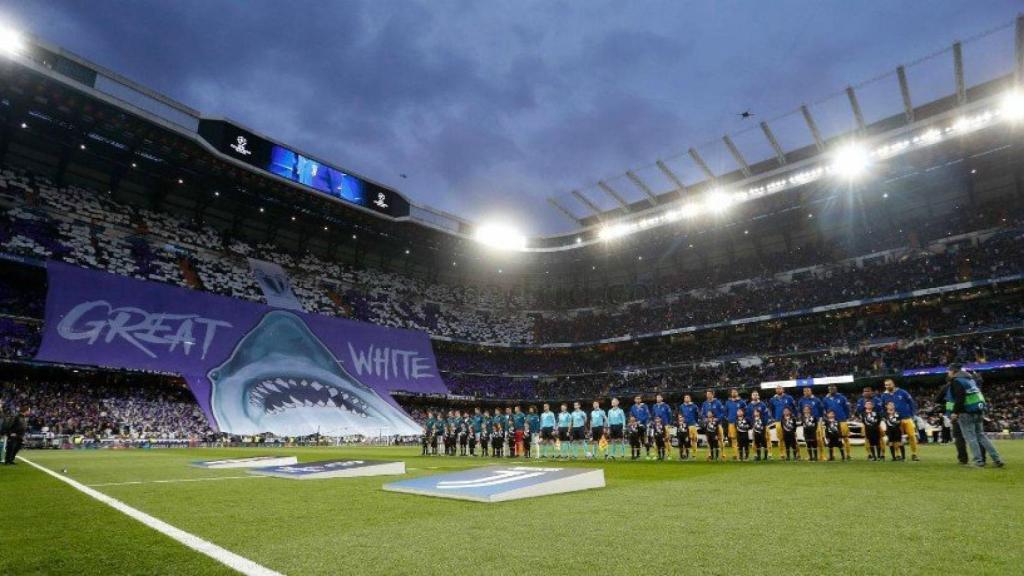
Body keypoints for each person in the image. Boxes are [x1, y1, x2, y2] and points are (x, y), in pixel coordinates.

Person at [946, 364, 1004, 468]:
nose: (948, 373)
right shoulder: (970, 380)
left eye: (949, 371)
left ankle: (978, 461)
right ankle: (997, 459)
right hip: (978, 411)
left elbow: (960, 398)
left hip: (966, 412)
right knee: (981, 436)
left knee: (971, 438)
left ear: (953, 371)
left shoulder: (956, 381)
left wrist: (954, 412)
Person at [880, 379, 919, 461]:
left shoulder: (902, 392)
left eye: (889, 384)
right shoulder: (884, 395)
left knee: (911, 436)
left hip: (906, 418)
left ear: (893, 384)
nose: (888, 386)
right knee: (895, 438)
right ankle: (897, 455)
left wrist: (912, 414)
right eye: (886, 385)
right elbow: (883, 408)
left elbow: (911, 402)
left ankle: (914, 454)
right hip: (893, 420)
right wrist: (886, 417)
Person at [823, 385, 852, 460]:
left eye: (833, 388)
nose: (831, 390)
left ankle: (848, 454)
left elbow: (846, 408)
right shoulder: (826, 399)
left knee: (845, 438)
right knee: (831, 438)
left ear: (836, 389)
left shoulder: (842, 397)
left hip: (842, 420)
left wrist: (845, 417)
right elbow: (826, 410)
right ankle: (831, 455)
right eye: (829, 389)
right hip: (831, 422)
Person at [798, 387, 826, 461]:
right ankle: (809, 456)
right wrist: (803, 420)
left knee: (819, 439)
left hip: (816, 422)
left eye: (808, 390)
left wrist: (820, 420)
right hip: (807, 422)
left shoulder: (816, 400)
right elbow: (800, 411)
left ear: (811, 391)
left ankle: (822, 455)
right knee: (808, 440)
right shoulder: (801, 401)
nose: (806, 392)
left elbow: (821, 410)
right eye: (804, 391)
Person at [770, 386, 796, 459]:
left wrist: (792, 417)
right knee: (780, 438)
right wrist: (775, 418)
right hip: (778, 421)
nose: (778, 390)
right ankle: (782, 454)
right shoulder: (772, 399)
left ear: (783, 390)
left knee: (793, 438)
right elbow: (772, 410)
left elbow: (794, 408)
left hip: (788, 420)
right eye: (777, 389)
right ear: (775, 390)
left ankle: (797, 454)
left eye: (780, 388)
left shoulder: (789, 398)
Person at [724, 389, 747, 460]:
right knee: (733, 439)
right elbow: (725, 412)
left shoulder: (742, 402)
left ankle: (744, 454)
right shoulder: (728, 402)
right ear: (731, 393)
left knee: (742, 439)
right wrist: (728, 418)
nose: (734, 393)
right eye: (732, 392)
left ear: (737, 393)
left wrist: (743, 419)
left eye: (735, 392)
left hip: (740, 423)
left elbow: (746, 411)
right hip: (731, 423)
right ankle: (735, 454)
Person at [701, 390, 725, 457]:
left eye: (709, 394)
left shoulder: (718, 402)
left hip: (718, 424)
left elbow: (723, 413)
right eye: (707, 394)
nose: (708, 395)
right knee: (709, 439)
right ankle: (709, 453)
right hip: (708, 425)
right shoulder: (704, 403)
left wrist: (718, 419)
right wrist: (704, 419)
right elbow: (702, 414)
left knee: (720, 439)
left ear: (712, 395)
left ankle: (722, 453)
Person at [678, 394, 700, 460]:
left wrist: (695, 422)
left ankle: (694, 455)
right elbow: (680, 415)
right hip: (684, 426)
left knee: (694, 440)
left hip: (692, 425)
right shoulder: (681, 406)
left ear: (690, 399)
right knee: (684, 441)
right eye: (685, 397)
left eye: (687, 397)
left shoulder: (694, 406)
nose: (686, 398)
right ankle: (684, 454)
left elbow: (697, 415)